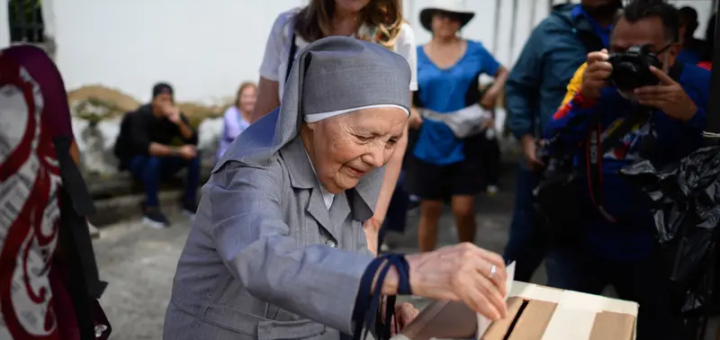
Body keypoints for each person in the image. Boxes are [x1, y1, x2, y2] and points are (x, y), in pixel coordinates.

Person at [163, 37, 509, 340]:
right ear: (311, 119)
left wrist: (382, 312)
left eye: (391, 140)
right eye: (364, 136)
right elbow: (263, 257)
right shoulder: (252, 172)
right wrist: (405, 272)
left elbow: (347, 266)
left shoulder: (341, 172)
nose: (377, 158)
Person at [543, 0, 709, 338]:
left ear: (672, 52)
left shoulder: (702, 85)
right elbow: (552, 141)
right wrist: (584, 98)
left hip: (663, 251)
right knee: (563, 329)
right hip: (585, 236)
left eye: (644, 51)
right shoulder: (593, 77)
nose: (630, 60)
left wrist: (693, 117)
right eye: (620, 50)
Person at [252, 0, 419, 254]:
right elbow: (262, 119)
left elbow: (397, 131)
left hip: (356, 195)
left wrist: (373, 222)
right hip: (289, 185)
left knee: (348, 283)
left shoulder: (396, 37)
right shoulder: (288, 28)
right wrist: (256, 190)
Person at [504, 0, 620, 282]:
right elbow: (518, 86)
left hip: (611, 176)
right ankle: (498, 323)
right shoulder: (552, 29)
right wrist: (526, 137)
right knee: (520, 257)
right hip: (547, 165)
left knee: (574, 272)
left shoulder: (633, 30)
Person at [405, 0, 508, 253]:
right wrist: (411, 109)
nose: (446, 22)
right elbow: (405, 87)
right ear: (431, 21)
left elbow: (503, 72)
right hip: (428, 139)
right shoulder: (415, 54)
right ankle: (425, 268)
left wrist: (493, 93)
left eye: (452, 18)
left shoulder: (474, 50)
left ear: (460, 23)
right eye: (440, 17)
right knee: (430, 208)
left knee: (464, 208)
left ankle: (466, 258)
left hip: (466, 139)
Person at [113, 83, 200, 229]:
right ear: (153, 101)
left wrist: (179, 123)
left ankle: (189, 203)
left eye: (169, 100)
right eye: (162, 99)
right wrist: (179, 151)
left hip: (159, 162)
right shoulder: (139, 116)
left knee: (193, 156)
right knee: (153, 160)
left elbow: (193, 140)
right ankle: (151, 209)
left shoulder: (173, 116)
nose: (166, 103)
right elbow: (147, 148)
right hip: (136, 162)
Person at [216, 82, 256, 162]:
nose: (249, 100)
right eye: (245, 96)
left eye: (252, 96)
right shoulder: (231, 113)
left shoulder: (261, 114)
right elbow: (237, 135)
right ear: (239, 98)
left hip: (252, 157)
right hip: (229, 157)